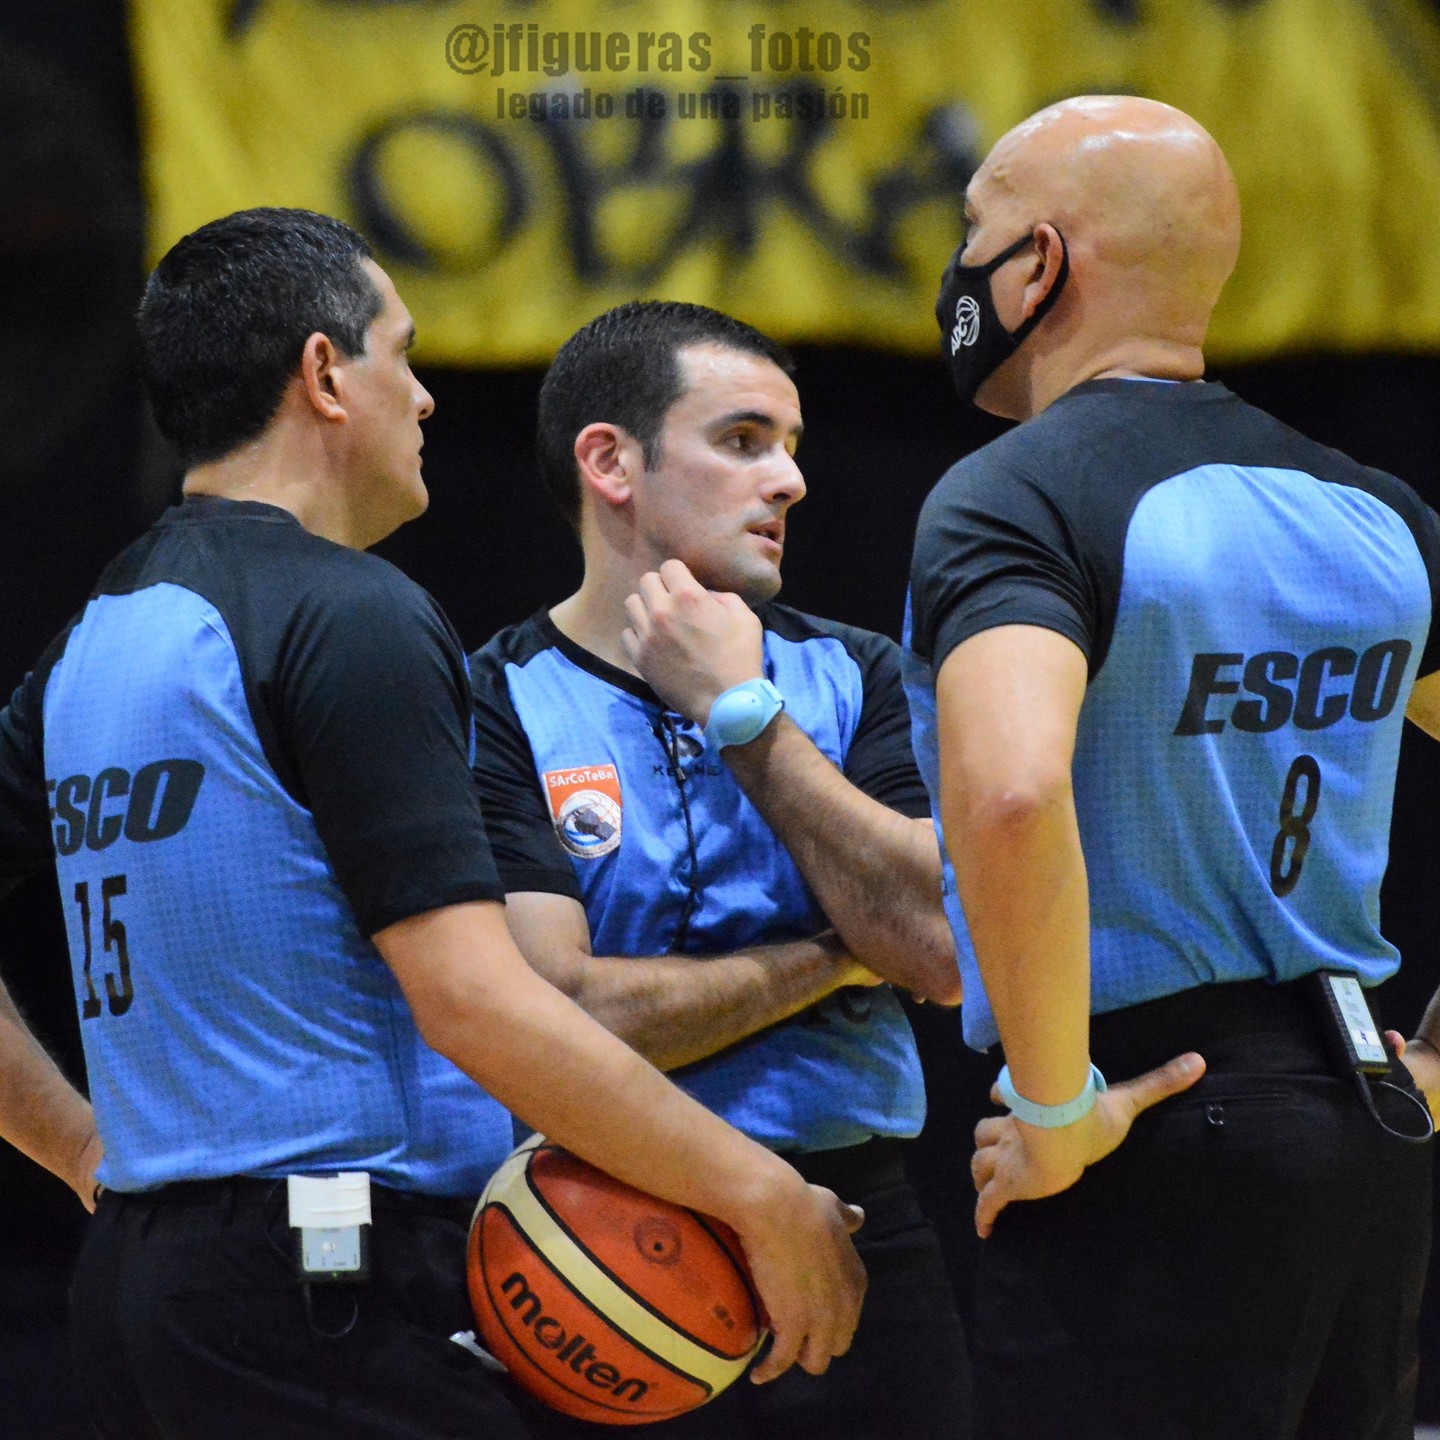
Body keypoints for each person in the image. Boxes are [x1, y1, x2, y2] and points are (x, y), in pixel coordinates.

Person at [0, 209, 868, 1440]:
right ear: (323, 375)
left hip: (144, 1292)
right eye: (401, 355)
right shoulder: (351, 613)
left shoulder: (96, 637)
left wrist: (90, 1152)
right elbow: (475, 1002)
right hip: (331, 1294)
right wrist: (761, 1193)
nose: (425, 399)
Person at [903, 94, 1440, 1440]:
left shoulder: (1019, 493)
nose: (961, 271)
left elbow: (1014, 795)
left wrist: (1055, 1102)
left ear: (1037, 266)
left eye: (976, 233)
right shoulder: (1375, 507)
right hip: (1366, 1147)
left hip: (1145, 1130)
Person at [468, 300, 971, 1439]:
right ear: (610, 462)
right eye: (744, 441)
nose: (789, 480)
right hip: (594, 1230)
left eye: (792, 446)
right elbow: (561, 1016)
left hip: (868, 1227)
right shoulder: (491, 696)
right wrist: (839, 958)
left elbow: (940, 955)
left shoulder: (860, 673)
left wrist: (738, 714)